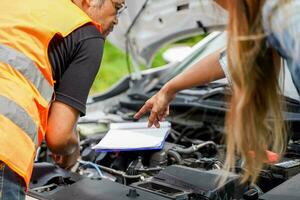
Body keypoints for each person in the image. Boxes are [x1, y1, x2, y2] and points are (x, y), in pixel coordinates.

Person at [134, 0, 299, 184]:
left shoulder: (290, 19)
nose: (218, 6)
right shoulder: (273, 19)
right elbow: (234, 57)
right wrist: (168, 89)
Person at [0, 0, 124, 199]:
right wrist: (72, 150)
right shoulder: (87, 33)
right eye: (118, 8)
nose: (117, 20)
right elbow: (59, 137)